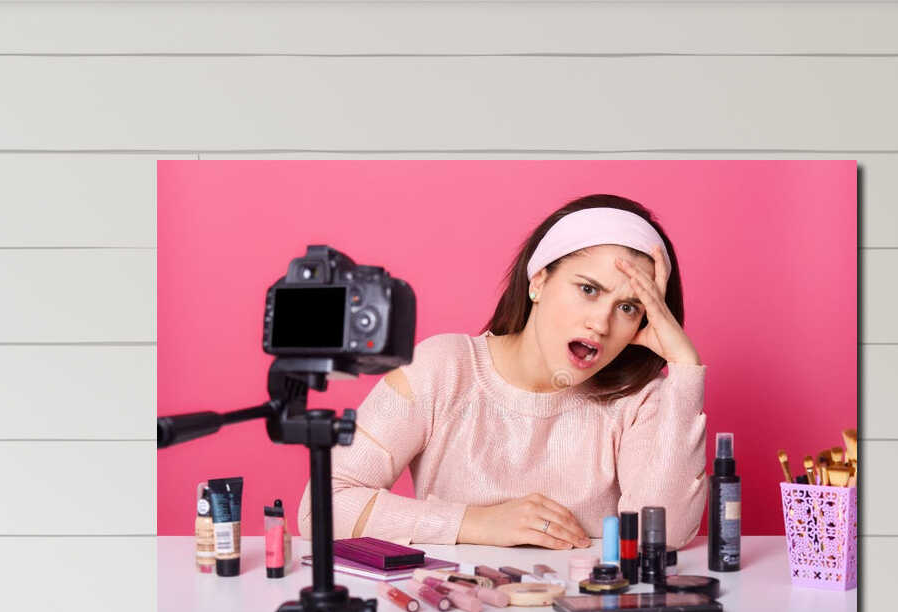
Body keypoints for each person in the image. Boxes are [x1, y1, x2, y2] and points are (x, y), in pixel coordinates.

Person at [294, 195, 708, 551]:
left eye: (629, 307)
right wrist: (475, 523)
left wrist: (685, 368)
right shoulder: (442, 368)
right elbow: (322, 507)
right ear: (538, 281)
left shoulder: (639, 396)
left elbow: (665, 534)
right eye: (588, 289)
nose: (601, 323)